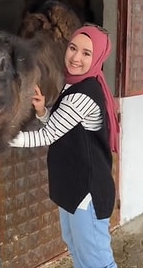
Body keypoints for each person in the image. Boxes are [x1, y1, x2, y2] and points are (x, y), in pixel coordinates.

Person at [9, 24, 120, 268]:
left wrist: (5, 136)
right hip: (72, 186)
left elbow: (49, 135)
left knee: (97, 261)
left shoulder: (83, 93)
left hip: (86, 192)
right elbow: (64, 130)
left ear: (98, 57)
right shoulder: (74, 85)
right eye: (73, 48)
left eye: (86, 53)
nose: (76, 57)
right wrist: (42, 111)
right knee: (77, 250)